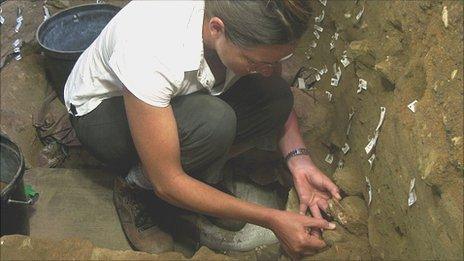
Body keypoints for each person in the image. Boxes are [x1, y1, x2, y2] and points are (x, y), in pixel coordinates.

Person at [64, 0, 341, 259]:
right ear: (216, 28)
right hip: (102, 113)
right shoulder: (150, 48)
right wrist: (271, 219)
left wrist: (299, 160)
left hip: (173, 93)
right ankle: (133, 187)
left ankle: (201, 175)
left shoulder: (243, 24)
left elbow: (272, 84)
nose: (269, 70)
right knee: (214, 123)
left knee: (277, 96)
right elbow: (168, 182)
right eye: (256, 62)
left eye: (275, 60)